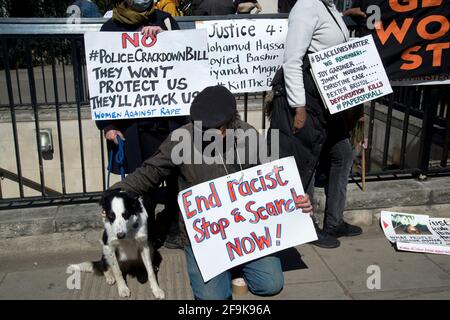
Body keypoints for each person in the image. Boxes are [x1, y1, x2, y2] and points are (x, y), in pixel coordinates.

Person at [108, 85, 314, 300]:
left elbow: (272, 177)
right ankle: (223, 268)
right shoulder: (181, 138)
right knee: (213, 298)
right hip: (204, 235)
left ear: (232, 120)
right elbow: (150, 171)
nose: (212, 133)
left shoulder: (247, 134)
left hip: (246, 229)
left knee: (270, 284)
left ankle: (235, 264)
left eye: (218, 127)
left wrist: (295, 198)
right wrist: (116, 193)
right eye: (205, 128)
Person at [269, 0, 362, 249]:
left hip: (327, 97)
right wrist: (298, 107)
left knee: (342, 153)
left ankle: (334, 221)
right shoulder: (306, 6)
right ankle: (306, 225)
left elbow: (326, 39)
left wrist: (344, 15)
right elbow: (292, 60)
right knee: (306, 160)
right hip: (306, 97)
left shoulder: (328, 7)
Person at [98, 0, 188, 249]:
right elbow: (102, 77)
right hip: (133, 129)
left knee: (177, 179)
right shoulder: (110, 29)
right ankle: (144, 235)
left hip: (170, 123)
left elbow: (187, 61)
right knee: (141, 184)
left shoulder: (166, 20)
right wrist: (107, 125)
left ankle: (172, 228)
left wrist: (166, 39)